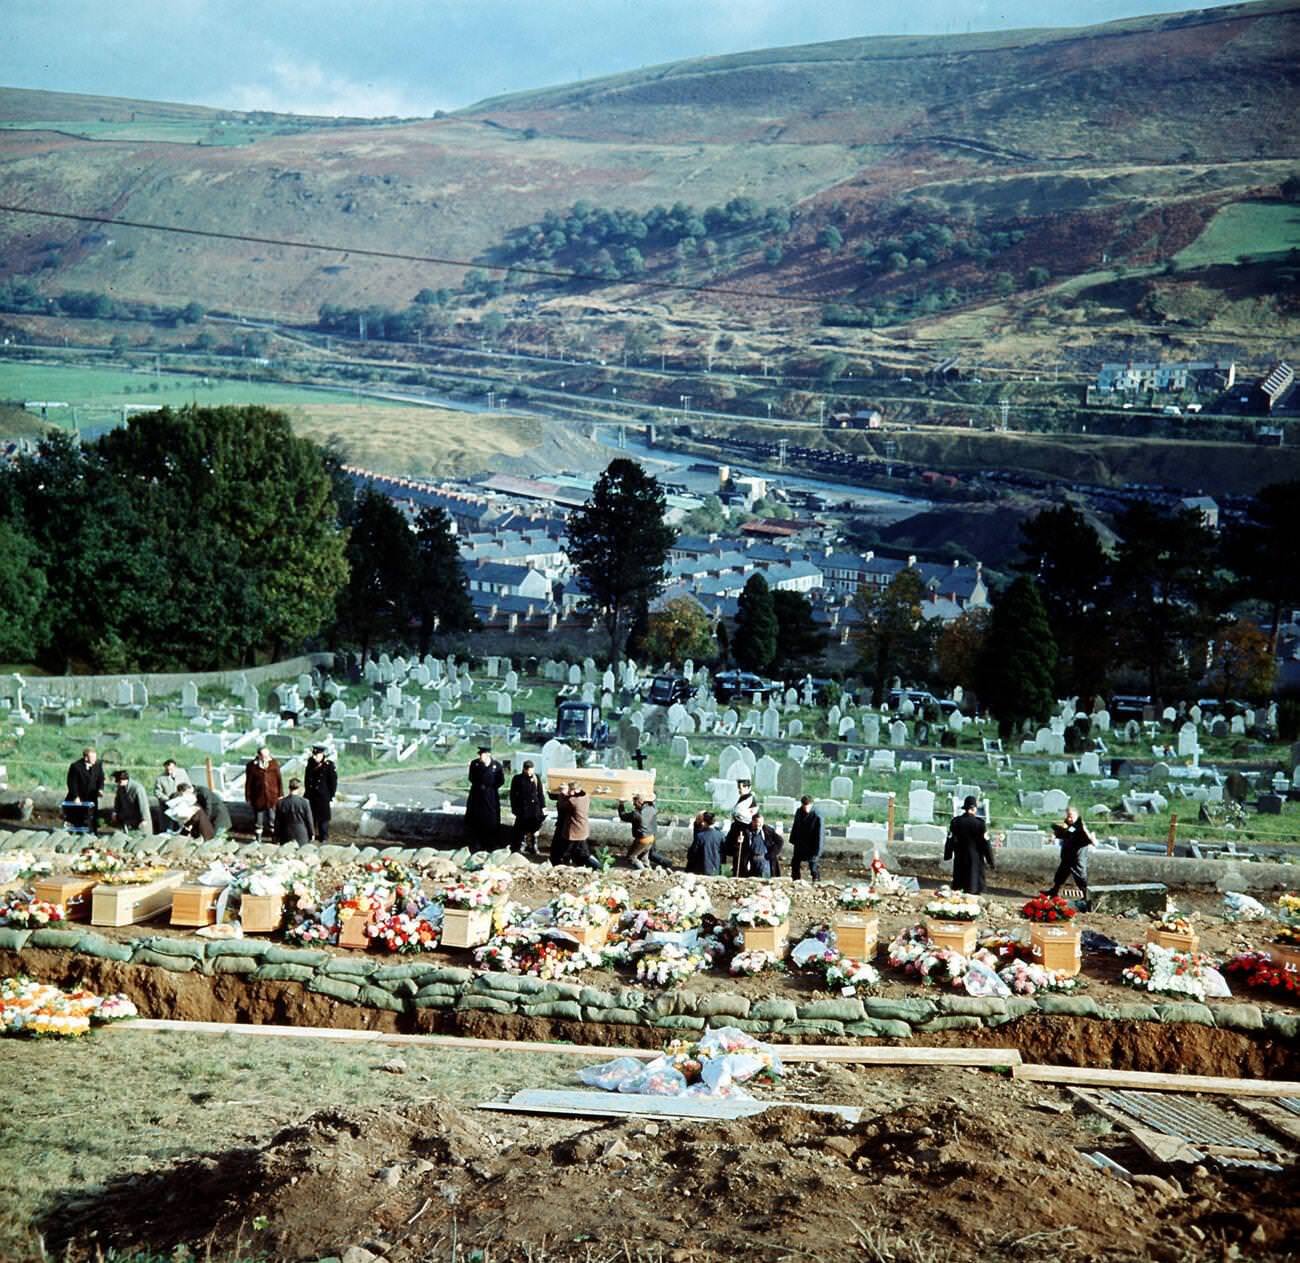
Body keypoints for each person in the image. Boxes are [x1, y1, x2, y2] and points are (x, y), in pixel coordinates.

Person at [944, 795, 994, 894]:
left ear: (965, 808)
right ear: (974, 808)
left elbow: (950, 839)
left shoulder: (956, 822)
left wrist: (948, 855)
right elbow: (986, 843)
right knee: (973, 882)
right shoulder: (980, 824)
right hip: (976, 858)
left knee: (959, 885)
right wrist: (990, 860)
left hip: (960, 857)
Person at [1047, 806, 1094, 902]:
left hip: (1077, 855)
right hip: (1067, 854)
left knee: (1080, 875)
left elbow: (1087, 837)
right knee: (1061, 873)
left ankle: (1086, 896)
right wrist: (1054, 835)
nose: (1069, 818)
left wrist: (1092, 840)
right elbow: (1061, 831)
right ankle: (1055, 891)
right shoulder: (1067, 824)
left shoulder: (1079, 826)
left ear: (1076, 816)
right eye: (1068, 816)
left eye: (1071, 816)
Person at [550, 781, 595, 868]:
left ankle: (562, 866)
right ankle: (589, 866)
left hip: (573, 832)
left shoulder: (573, 801)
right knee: (583, 853)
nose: (570, 792)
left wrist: (562, 794)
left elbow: (562, 805)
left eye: (571, 790)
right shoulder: (586, 797)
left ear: (576, 791)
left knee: (564, 852)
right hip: (583, 831)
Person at [465, 746, 504, 845]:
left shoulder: (497, 766)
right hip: (477, 794)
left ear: (488, 754)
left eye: (482, 755)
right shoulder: (475, 764)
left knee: (490, 818)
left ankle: (490, 842)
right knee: (475, 817)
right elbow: (471, 778)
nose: (480, 757)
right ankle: (475, 842)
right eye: (479, 755)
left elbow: (500, 781)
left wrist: (490, 787)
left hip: (490, 795)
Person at [244, 746, 282, 842]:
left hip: (272, 796)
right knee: (258, 820)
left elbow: (279, 780)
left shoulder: (274, 764)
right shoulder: (252, 766)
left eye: (267, 755)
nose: (266, 757)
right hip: (258, 798)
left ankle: (274, 838)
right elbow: (248, 782)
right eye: (263, 755)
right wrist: (248, 796)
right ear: (259, 755)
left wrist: (280, 794)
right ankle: (258, 839)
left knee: (272, 819)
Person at [509, 759, 546, 855]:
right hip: (523, 808)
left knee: (534, 828)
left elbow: (540, 793)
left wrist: (543, 806)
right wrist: (514, 808)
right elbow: (513, 795)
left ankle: (533, 846)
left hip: (535, 808)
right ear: (525, 769)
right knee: (521, 829)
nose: (531, 772)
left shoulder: (536, 778)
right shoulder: (517, 779)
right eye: (529, 770)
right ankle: (521, 845)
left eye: (532, 770)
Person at [66, 747, 104, 834]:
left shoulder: (98, 765)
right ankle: (78, 833)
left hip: (92, 795)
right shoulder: (76, 767)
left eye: (95, 757)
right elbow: (72, 783)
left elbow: (101, 778)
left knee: (93, 817)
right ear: (86, 758)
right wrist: (75, 796)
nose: (95, 760)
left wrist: (100, 789)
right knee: (79, 817)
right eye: (92, 758)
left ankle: (93, 833)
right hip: (80, 796)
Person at [304, 746, 338, 842]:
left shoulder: (328, 765)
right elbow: (307, 780)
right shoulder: (310, 763)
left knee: (323, 818)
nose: (315, 757)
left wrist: (330, 796)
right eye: (314, 755)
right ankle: (311, 835)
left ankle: (324, 836)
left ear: (322, 754)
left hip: (323, 796)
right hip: (311, 795)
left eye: (317, 755)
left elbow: (333, 783)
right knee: (311, 817)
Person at [725, 779, 758, 875]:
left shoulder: (749, 799)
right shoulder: (743, 798)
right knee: (736, 854)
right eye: (738, 788)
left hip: (744, 831)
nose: (739, 790)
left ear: (747, 787)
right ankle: (736, 871)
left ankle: (741, 873)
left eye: (741, 788)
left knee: (742, 855)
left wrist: (737, 815)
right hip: (738, 829)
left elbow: (746, 815)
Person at [618, 793, 658, 870]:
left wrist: (621, 804)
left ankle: (643, 871)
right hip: (651, 837)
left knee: (631, 857)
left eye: (635, 801)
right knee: (643, 857)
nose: (633, 804)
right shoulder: (652, 809)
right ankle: (648, 870)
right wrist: (652, 797)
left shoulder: (636, 814)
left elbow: (623, 816)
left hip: (642, 839)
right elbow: (653, 801)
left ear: (640, 802)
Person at [789, 796, 824, 882]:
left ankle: (816, 880)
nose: (805, 808)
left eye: (807, 806)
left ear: (811, 805)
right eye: (804, 806)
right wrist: (793, 839)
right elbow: (795, 826)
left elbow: (820, 834)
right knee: (795, 862)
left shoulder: (817, 815)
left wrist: (818, 850)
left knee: (813, 864)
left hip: (812, 844)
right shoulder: (799, 811)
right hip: (800, 843)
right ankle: (796, 879)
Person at [110, 769, 154, 835]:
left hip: (140, 821)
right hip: (129, 820)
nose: (118, 784)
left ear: (124, 779)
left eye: (119, 782)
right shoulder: (120, 788)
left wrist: (144, 819)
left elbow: (143, 805)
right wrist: (115, 812)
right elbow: (117, 801)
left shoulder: (138, 788)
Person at [274, 778, 315, 844]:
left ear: (289, 788)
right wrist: (312, 833)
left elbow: (277, 822)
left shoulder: (281, 803)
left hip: (286, 834)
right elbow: (309, 820)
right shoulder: (305, 802)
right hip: (302, 834)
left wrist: (276, 835)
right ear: (299, 788)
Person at [686, 811, 723, 876]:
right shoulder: (720, 835)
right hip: (716, 869)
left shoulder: (700, 836)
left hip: (702, 870)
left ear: (704, 822)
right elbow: (725, 850)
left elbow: (693, 853)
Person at [154, 759, 182, 832]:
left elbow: (187, 786)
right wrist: (168, 800)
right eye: (167, 769)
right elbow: (157, 792)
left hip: (179, 805)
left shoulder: (181, 775)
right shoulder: (160, 778)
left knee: (179, 826)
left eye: (171, 769)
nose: (169, 770)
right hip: (166, 806)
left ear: (175, 767)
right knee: (167, 827)